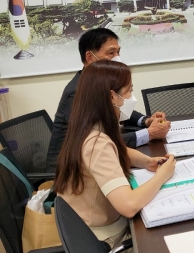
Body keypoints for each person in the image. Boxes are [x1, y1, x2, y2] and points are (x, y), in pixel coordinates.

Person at [54, 60, 176, 253]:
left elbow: (119, 149)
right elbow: (128, 205)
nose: (131, 98)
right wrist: (162, 175)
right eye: (129, 91)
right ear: (112, 97)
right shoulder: (96, 144)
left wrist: (147, 162)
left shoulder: (87, 127)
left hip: (87, 239)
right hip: (101, 252)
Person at [47, 28, 170, 170]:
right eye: (111, 53)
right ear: (90, 57)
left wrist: (146, 121)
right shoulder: (77, 92)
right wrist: (149, 134)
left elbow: (117, 108)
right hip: (67, 169)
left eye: (118, 52)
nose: (117, 58)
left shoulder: (98, 82)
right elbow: (98, 141)